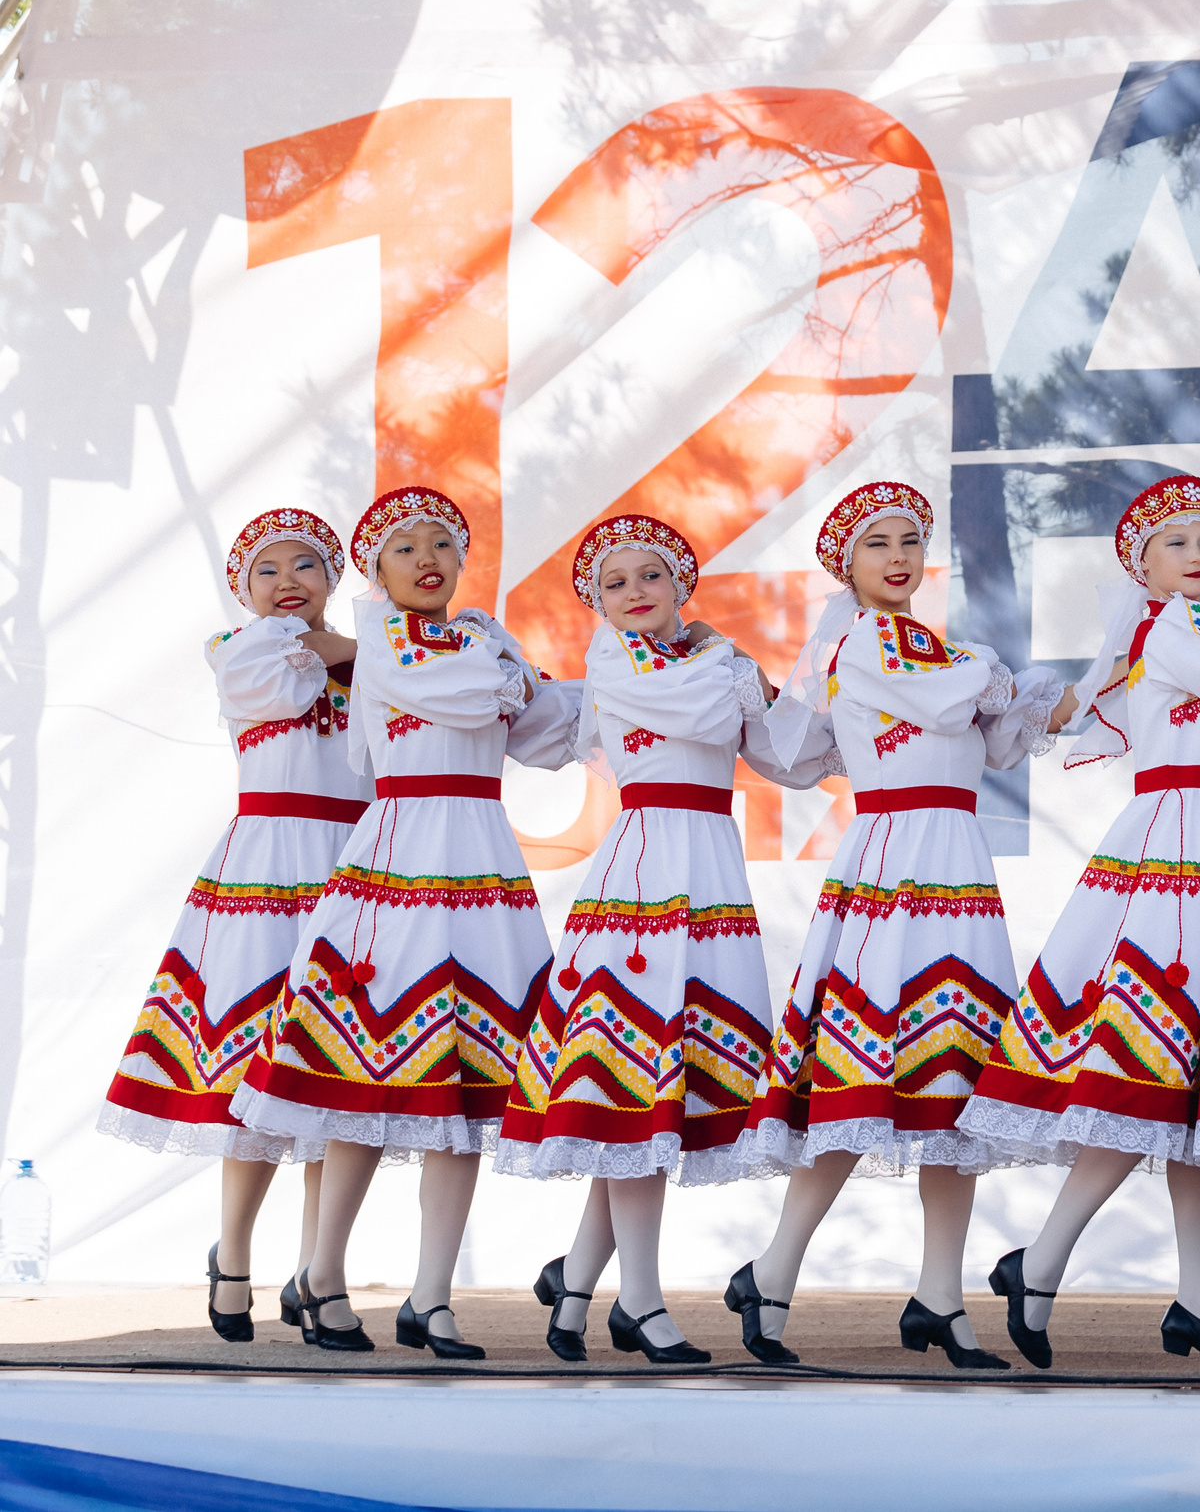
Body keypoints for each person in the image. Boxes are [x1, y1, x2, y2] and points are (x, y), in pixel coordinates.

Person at [961, 474, 1200, 1374]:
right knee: (1150, 1068)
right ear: (1141, 562)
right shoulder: (1167, 628)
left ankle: (1190, 1292)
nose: (1199, 554)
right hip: (1174, 847)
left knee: (1196, 1087)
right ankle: (1054, 1259)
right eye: (1176, 542)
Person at [234, 487, 583, 1358]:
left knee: (465, 1089)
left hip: (483, 857)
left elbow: (544, 732)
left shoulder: (479, 640)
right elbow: (473, 697)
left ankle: (432, 1298)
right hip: (399, 854)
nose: (428, 559)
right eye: (405, 549)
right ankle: (321, 1271)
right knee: (363, 1077)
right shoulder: (386, 641)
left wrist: (615, 677)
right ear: (378, 572)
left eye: (443, 545)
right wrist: (510, 676)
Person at [726, 483, 1065, 1370]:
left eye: (910, 539)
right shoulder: (865, 642)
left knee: (950, 1087)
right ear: (847, 563)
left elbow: (995, 740)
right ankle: (773, 1269)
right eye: (877, 542)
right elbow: (963, 704)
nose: (898, 555)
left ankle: (941, 1296)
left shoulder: (935, 649)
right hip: (892, 866)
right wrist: (995, 679)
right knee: (860, 1080)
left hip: (954, 863)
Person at [497, 514, 815, 1364]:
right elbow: (702, 707)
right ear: (597, 603)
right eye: (614, 582)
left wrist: (819, 694)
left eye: (651, 576)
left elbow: (790, 755)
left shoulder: (713, 664)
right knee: (635, 1090)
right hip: (643, 876)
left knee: (645, 1096)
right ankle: (639, 1299)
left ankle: (574, 1285)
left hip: (707, 875)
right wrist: (737, 668)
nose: (634, 592)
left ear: (682, 583)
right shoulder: (619, 662)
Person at [100, 509, 371, 1343]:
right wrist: (357, 655)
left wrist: (366, 657)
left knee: (337, 1074)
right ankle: (237, 1255)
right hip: (267, 862)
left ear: (333, 578)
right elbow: (289, 679)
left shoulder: (375, 663)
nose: (288, 581)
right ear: (241, 588)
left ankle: (320, 1268)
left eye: (307, 565)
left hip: (355, 867)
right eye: (267, 569)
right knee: (256, 1072)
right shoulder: (244, 650)